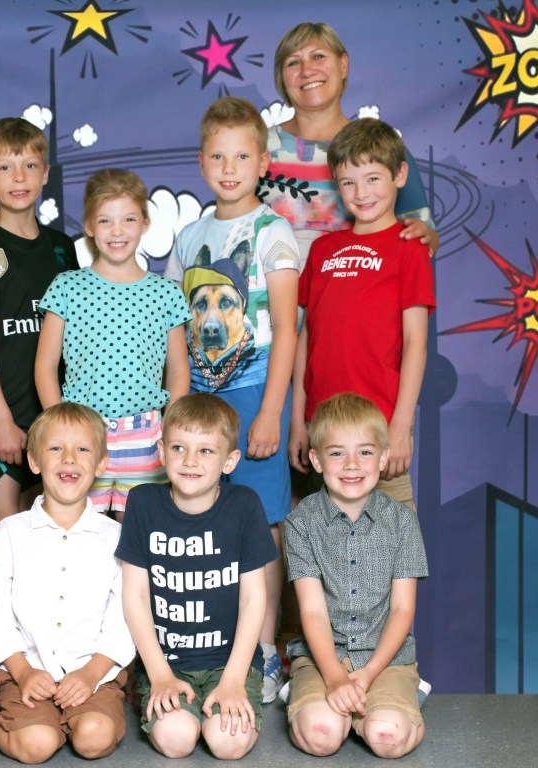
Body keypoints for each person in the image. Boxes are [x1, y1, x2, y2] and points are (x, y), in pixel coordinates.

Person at [164, 96, 299, 704]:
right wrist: (175, 402)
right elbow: (173, 325)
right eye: (218, 157)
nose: (229, 168)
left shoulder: (273, 232)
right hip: (198, 394)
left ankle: (265, 650)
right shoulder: (190, 235)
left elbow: (288, 328)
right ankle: (214, 647)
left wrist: (270, 411)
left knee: (262, 521)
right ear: (201, 161)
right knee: (202, 515)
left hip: (254, 391)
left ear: (263, 163)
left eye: (242, 157)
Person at [117, 393, 277, 760]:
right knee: (176, 739)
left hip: (230, 663)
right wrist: (159, 675)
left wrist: (234, 680)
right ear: (162, 451)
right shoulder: (142, 503)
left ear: (229, 460)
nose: (190, 460)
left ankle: (224, 699)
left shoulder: (245, 505)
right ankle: (167, 698)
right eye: (179, 447)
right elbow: (135, 597)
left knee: (227, 742)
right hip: (167, 663)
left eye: (206, 451)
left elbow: (254, 599)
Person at [289, 118, 435, 510]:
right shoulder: (322, 249)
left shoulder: (410, 248)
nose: (362, 193)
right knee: (322, 541)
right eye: (349, 183)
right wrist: (298, 422)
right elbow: (307, 338)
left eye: (373, 179)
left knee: (393, 540)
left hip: (379, 425)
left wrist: (401, 426)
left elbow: (416, 342)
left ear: (399, 175)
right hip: (321, 427)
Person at [0, 402, 136, 763]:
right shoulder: (9, 533)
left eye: (82, 449)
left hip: (93, 672)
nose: (69, 458)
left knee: (94, 738)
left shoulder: (116, 538)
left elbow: (122, 621)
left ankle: (72, 720)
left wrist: (91, 674)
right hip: (26, 669)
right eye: (55, 448)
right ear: (34, 461)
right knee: (37, 745)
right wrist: (22, 672)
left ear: (100, 464)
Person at [35, 168, 190, 518]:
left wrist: (171, 428)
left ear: (145, 223)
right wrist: (60, 427)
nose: (117, 231)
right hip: (82, 434)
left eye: (128, 219)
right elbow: (45, 365)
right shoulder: (67, 287)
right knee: (79, 528)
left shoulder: (166, 293)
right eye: (105, 220)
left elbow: (179, 369)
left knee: (137, 533)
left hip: (147, 436)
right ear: (89, 226)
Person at [284, 393, 428, 759]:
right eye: (337, 453)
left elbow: (402, 610)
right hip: (323, 655)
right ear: (317, 460)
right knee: (321, 736)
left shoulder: (403, 521)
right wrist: (335, 678)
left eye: (365, 452)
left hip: (385, 657)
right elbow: (313, 611)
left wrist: (367, 674)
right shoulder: (300, 523)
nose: (351, 465)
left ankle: (393, 702)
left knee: (387, 738)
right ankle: (313, 696)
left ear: (383, 458)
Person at [0, 118, 78, 543]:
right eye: (5, 168)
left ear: (45, 173)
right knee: (2, 526)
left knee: (50, 528)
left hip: (55, 413)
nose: (19, 178)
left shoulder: (62, 248)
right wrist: (1, 420)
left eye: (30, 166)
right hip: (5, 415)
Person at [256, 21, 438, 269]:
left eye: (318, 56)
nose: (307, 70)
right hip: (268, 293)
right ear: (281, 77)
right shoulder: (255, 149)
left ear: (343, 65)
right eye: (293, 62)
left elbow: (423, 232)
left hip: (353, 293)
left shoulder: (379, 147)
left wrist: (424, 235)